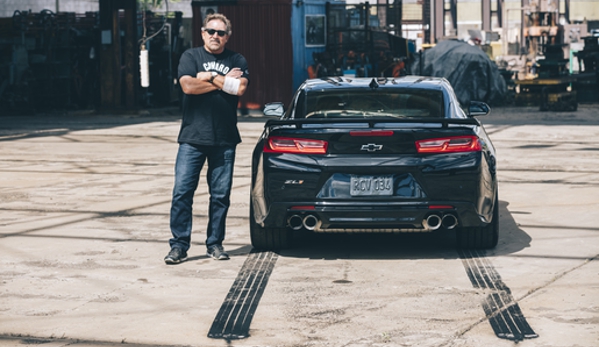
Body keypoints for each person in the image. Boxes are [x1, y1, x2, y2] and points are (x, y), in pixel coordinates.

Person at [164, 13, 249, 264]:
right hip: (192, 137)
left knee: (220, 196)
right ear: (202, 33)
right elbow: (188, 86)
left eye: (220, 33)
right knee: (182, 192)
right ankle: (179, 245)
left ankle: (215, 244)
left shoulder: (237, 59)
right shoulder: (190, 57)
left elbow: (240, 88)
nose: (215, 36)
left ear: (227, 36)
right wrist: (223, 81)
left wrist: (208, 77)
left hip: (224, 140)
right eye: (210, 31)